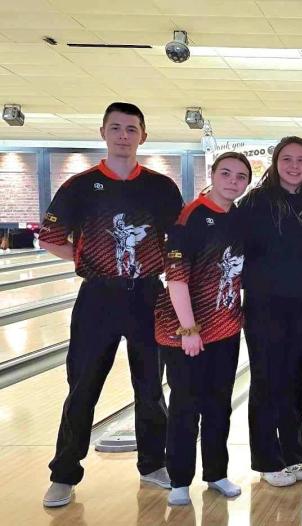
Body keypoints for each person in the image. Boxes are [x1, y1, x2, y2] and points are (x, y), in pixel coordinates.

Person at [39, 102, 183, 507]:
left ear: (143, 136)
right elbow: (50, 238)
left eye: (131, 129)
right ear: (103, 132)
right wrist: (85, 259)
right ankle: (64, 474)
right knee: (82, 388)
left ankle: (154, 464)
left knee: (151, 388)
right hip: (98, 297)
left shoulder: (160, 187)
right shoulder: (79, 187)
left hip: (147, 295)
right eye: (116, 128)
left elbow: (179, 241)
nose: (123, 135)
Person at [155, 152, 252, 506]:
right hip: (185, 330)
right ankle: (180, 479)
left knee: (218, 405)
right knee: (185, 405)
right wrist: (189, 329)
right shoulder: (191, 217)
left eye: (241, 177)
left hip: (225, 327)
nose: (233, 181)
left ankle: (216, 473)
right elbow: (176, 279)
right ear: (212, 175)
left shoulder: (238, 218)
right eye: (226, 173)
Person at [239, 136, 302, 487]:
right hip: (264, 305)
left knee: (294, 381)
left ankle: (293, 455)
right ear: (275, 163)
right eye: (287, 159)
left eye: (301, 160)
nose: (294, 166)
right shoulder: (257, 201)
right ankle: (266, 460)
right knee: (265, 380)